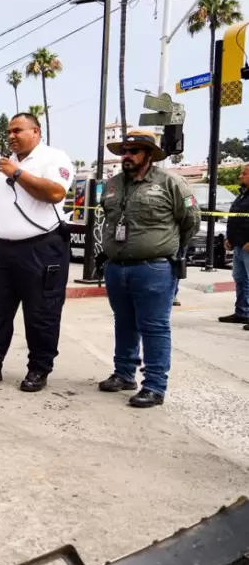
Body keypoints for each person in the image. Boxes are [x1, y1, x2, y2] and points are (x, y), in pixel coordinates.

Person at [0, 113, 74, 393]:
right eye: (9, 132)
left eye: (18, 130)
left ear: (36, 132)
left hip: (42, 248)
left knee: (41, 314)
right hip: (2, 251)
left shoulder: (53, 159)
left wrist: (17, 174)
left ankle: (38, 369)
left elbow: (54, 193)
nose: (12, 136)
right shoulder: (5, 166)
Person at [97, 130, 200, 408]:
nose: (126, 156)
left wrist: (168, 249)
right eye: (124, 152)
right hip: (117, 267)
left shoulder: (170, 182)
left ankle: (154, 386)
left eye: (134, 151)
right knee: (124, 322)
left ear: (149, 155)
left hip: (153, 268)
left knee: (154, 327)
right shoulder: (113, 184)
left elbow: (190, 221)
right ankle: (123, 374)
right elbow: (107, 219)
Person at [220, 163, 249, 329]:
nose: (240, 176)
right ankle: (242, 312)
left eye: (244, 173)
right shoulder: (242, 195)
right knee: (240, 280)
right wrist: (229, 238)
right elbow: (235, 218)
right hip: (238, 246)